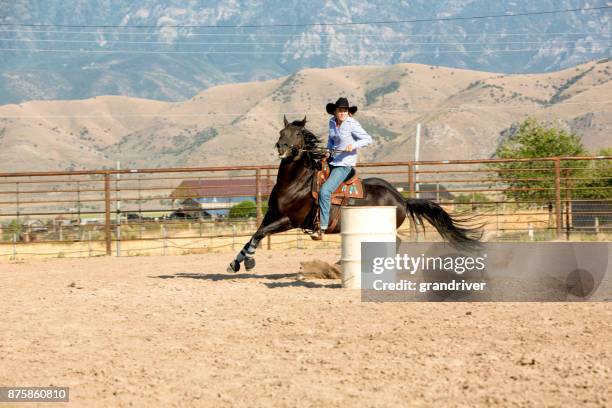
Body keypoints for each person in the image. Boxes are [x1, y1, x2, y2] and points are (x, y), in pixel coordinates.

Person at [312, 97, 372, 240]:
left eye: (345, 110)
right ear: (335, 111)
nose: (343, 113)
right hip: (332, 160)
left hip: (345, 165)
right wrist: (328, 150)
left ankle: (323, 227)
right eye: (340, 110)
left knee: (325, 191)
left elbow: (368, 139)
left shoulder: (352, 124)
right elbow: (332, 140)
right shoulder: (332, 122)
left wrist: (354, 145)